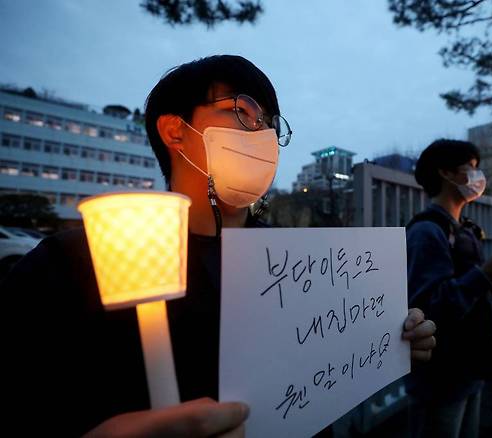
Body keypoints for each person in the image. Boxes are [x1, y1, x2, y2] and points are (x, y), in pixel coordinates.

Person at [2, 55, 436, 437]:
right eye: (243, 112)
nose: (263, 135)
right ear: (175, 131)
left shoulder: (298, 262)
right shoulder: (74, 262)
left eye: (270, 124)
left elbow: (325, 356)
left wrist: (388, 343)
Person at [406, 139, 492, 438]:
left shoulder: (466, 228)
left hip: (471, 363)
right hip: (443, 374)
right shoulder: (427, 231)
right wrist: (485, 275)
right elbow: (426, 309)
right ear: (445, 173)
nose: (477, 176)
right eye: (470, 168)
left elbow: (477, 290)